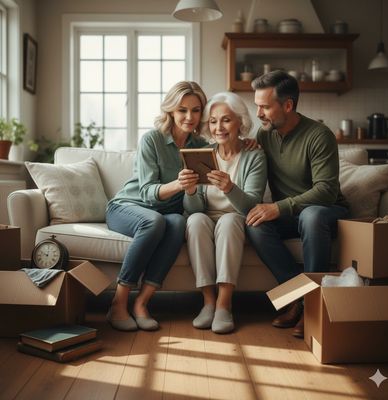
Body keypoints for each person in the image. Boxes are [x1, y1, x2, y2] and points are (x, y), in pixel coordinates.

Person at [245, 70, 350, 338]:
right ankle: (301, 300)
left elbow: (326, 190)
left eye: (265, 106)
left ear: (288, 105)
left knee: (311, 216)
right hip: (294, 215)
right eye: (257, 106)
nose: (259, 113)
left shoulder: (319, 135)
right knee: (254, 223)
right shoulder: (265, 134)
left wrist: (279, 207)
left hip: (326, 212)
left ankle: (312, 310)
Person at [105, 81, 208, 331]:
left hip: (164, 215)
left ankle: (141, 303)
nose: (189, 117)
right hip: (126, 207)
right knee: (155, 220)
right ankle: (118, 303)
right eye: (182, 110)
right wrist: (178, 184)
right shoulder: (152, 139)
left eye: (196, 110)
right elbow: (147, 193)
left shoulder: (201, 147)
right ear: (171, 110)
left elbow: (195, 209)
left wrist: (250, 143)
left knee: (178, 221)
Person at [184, 92, 266, 334]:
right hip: (207, 217)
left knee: (229, 220)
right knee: (196, 220)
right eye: (213, 121)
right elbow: (195, 208)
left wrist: (229, 187)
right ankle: (208, 302)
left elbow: (252, 206)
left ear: (240, 121)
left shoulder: (254, 155)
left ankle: (224, 304)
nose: (218, 127)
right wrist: (189, 192)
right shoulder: (201, 154)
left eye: (226, 120)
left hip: (237, 218)